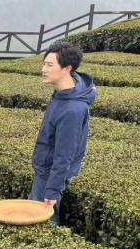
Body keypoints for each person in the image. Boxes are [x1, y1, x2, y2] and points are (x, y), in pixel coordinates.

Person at [30, 41, 97, 225]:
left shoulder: (72, 109)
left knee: (42, 225)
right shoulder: (62, 95)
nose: (43, 69)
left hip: (49, 176)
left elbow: (64, 154)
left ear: (67, 69)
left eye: (49, 65)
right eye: (44, 64)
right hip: (45, 171)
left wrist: (52, 191)